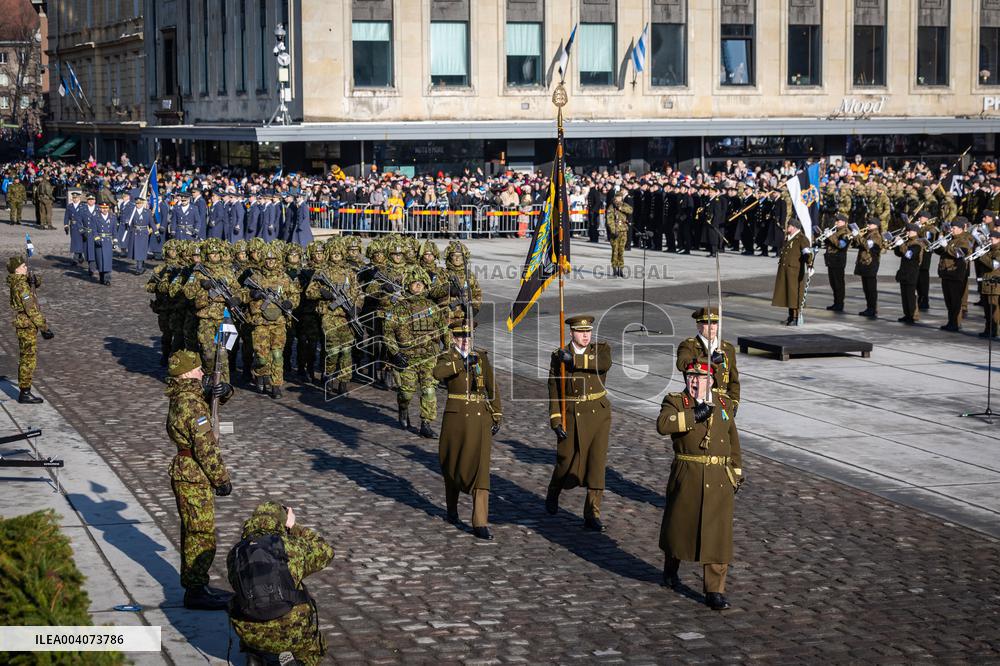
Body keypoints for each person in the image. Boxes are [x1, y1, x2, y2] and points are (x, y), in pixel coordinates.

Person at [656, 360, 742, 611]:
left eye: (701, 377)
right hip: (688, 474)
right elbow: (663, 424)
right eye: (691, 376)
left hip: (719, 478)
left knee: (718, 535)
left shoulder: (724, 403)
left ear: (711, 381)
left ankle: (715, 590)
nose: (695, 381)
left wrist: (736, 473)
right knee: (679, 528)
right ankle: (671, 568)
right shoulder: (676, 401)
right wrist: (693, 415)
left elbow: (732, 440)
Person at [165, 349, 233, 610]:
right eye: (197, 369)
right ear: (186, 374)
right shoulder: (191, 404)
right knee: (200, 534)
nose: (201, 372)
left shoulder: (185, 396)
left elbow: (212, 402)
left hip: (188, 471)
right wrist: (221, 479)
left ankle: (196, 585)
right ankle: (195, 591)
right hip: (193, 473)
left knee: (193, 531)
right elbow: (205, 446)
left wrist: (224, 391)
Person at [227, 502, 334, 666]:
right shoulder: (291, 546)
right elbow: (326, 551)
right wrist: (294, 526)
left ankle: (255, 656)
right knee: (318, 648)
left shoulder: (235, 553)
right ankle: (299, 662)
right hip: (291, 632)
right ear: (282, 522)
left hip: (250, 634)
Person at [433, 321, 502, 540]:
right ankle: (452, 508)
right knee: (452, 463)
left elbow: (491, 387)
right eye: (461, 337)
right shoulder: (448, 357)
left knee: (481, 469)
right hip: (456, 419)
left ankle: (480, 522)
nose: (465, 341)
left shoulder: (481, 357)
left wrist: (497, 414)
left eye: (468, 336)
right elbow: (437, 373)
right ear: (454, 338)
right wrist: (462, 364)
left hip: (480, 418)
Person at [545, 314, 612, 531]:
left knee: (597, 463)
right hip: (572, 414)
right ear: (572, 333)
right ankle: (554, 490)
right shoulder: (559, 355)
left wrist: (574, 361)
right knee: (565, 460)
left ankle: (592, 513)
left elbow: (603, 364)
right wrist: (556, 419)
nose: (586, 336)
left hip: (598, 413)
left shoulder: (600, 350)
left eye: (588, 331)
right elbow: (554, 388)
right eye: (581, 332)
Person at [384, 267, 449, 438]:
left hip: (429, 357)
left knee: (429, 390)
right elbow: (388, 333)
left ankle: (426, 424)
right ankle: (403, 408)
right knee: (406, 392)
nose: (418, 286)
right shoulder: (398, 308)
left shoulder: (432, 307)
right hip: (407, 358)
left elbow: (444, 329)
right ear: (408, 286)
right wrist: (395, 353)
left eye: (421, 283)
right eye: (415, 283)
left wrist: (448, 350)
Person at [7, 255, 53, 404]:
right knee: (28, 359)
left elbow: (35, 284)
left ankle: (24, 390)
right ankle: (24, 393)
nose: (25, 267)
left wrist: (33, 280)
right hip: (26, 325)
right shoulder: (21, 286)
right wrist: (44, 328)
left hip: (24, 324)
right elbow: (31, 309)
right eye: (23, 266)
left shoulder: (19, 281)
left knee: (26, 357)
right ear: (16, 270)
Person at [675, 307, 740, 412]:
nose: (712, 327)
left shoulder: (727, 348)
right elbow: (681, 364)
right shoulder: (689, 346)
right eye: (707, 323)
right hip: (697, 401)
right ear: (698, 325)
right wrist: (710, 360)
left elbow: (733, 380)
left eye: (714, 323)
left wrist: (733, 402)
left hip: (721, 404)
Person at [770, 218, 813, 325]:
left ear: (794, 227)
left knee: (794, 295)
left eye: (788, 226)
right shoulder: (789, 237)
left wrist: (810, 265)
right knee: (788, 293)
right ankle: (790, 316)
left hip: (795, 271)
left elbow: (807, 254)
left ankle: (795, 317)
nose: (787, 227)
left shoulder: (801, 238)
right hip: (786, 270)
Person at [937, 217, 974, 332]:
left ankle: (956, 323)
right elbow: (943, 252)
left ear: (961, 229)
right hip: (946, 273)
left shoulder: (964, 241)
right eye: (951, 228)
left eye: (953, 228)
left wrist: (946, 246)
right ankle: (951, 322)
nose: (951, 230)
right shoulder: (952, 239)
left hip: (955, 274)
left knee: (955, 301)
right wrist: (939, 244)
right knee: (949, 301)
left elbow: (959, 253)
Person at [894, 223, 926, 324]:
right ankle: (907, 314)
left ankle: (912, 315)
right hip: (904, 271)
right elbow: (899, 253)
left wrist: (901, 244)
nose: (907, 233)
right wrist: (897, 245)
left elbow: (909, 255)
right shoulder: (908, 242)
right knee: (904, 295)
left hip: (912, 272)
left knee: (910, 295)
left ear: (915, 232)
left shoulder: (917, 244)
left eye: (909, 231)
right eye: (907, 230)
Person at [853, 218, 883, 318]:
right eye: (868, 223)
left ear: (876, 225)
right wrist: (856, 237)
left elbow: (867, 245)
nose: (868, 225)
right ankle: (869, 307)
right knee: (866, 288)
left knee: (871, 289)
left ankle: (872, 309)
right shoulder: (868, 234)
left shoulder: (876, 236)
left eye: (871, 224)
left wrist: (858, 236)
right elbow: (859, 244)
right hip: (865, 264)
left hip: (871, 264)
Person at [822, 213, 852, 312]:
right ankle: (836, 302)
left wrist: (831, 236)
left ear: (844, 222)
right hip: (831, 260)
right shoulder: (837, 231)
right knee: (833, 283)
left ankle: (839, 304)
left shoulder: (846, 233)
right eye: (836, 221)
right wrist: (826, 237)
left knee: (838, 283)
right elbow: (830, 243)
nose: (836, 222)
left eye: (838, 221)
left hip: (838, 260)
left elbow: (841, 245)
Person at [976, 229, 1000, 338]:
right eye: (989, 239)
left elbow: (994, 265)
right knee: (987, 310)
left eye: (992, 239)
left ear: (998, 239)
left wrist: (982, 256)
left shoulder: (998, 251)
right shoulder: (990, 250)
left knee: (993, 311)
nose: (989, 241)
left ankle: (993, 331)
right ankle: (988, 330)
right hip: (986, 284)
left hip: (995, 285)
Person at [606, 191, 632, 278]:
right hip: (615, 232)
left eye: (620, 197)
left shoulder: (624, 205)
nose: (619, 199)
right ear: (615, 198)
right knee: (615, 251)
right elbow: (609, 220)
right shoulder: (611, 207)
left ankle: (621, 269)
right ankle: (614, 270)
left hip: (623, 231)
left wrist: (621, 208)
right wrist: (613, 230)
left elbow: (630, 210)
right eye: (617, 197)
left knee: (621, 251)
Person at [64, 189, 86, 264]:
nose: (74, 199)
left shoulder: (83, 206)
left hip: (81, 226)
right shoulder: (70, 206)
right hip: (73, 226)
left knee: (79, 242)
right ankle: (80, 256)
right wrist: (66, 225)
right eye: (73, 198)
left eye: (76, 198)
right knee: (75, 241)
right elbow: (66, 216)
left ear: (79, 198)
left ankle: (75, 258)